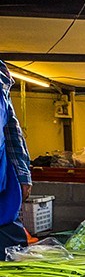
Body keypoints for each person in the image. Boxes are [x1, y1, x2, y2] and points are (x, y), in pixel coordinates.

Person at [0, 61, 31, 257]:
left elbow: (12, 131)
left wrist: (22, 175)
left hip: (3, 190)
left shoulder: (2, 81)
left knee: (13, 254)